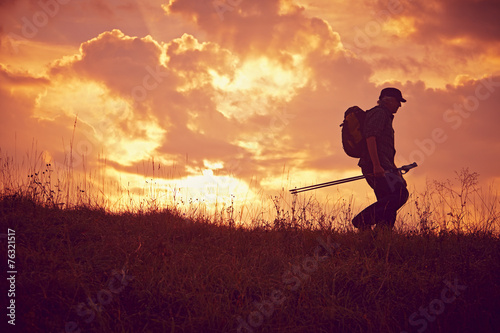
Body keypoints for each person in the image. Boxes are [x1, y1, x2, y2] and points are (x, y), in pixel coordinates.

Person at [352, 87, 409, 231]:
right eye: (398, 101)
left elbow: (386, 151)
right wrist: (376, 166)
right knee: (400, 194)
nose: (399, 105)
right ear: (388, 100)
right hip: (375, 165)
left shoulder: (385, 115)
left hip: (385, 165)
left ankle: (381, 238)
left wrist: (395, 171)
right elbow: (370, 138)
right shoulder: (379, 113)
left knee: (387, 200)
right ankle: (361, 220)